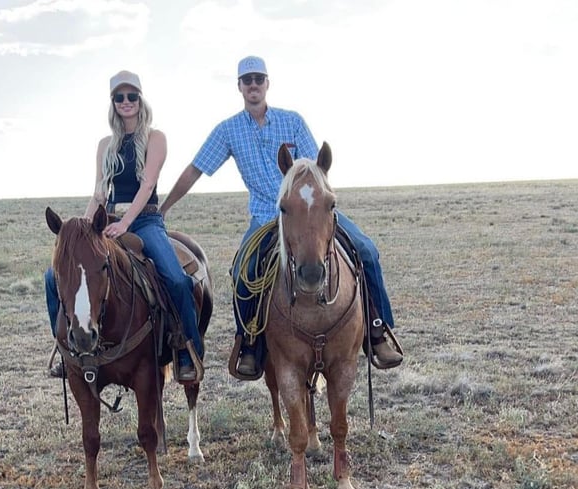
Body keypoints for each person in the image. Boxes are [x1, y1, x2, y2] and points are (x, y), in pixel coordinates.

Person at [160, 56, 403, 378]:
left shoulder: (292, 122)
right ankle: (249, 342)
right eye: (247, 80)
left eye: (259, 79)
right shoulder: (228, 130)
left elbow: (317, 169)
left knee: (367, 251)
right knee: (243, 270)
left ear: (267, 84)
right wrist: (163, 208)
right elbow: (196, 169)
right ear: (239, 87)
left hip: (310, 212)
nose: (253, 85)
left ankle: (377, 329)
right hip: (266, 216)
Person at [44, 70, 204, 382]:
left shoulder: (155, 138)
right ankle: (66, 350)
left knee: (176, 278)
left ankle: (187, 349)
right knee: (53, 276)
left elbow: (148, 185)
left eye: (132, 96)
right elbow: (99, 192)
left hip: (144, 219)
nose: (126, 102)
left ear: (140, 100)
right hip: (107, 222)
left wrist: (126, 222)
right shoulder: (105, 144)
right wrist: (83, 229)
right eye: (120, 97)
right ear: (113, 103)